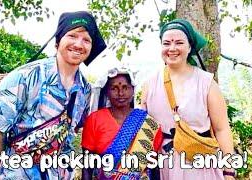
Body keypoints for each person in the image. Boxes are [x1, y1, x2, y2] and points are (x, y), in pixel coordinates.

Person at [0, 11, 106, 179]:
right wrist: (10, 169)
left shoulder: (85, 89)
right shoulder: (24, 78)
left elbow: (70, 133)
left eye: (86, 39)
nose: (79, 44)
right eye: (72, 35)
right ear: (57, 42)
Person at [140, 19, 235, 180]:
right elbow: (144, 130)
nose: (172, 48)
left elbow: (222, 129)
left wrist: (229, 171)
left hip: (200, 164)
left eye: (179, 43)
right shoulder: (149, 85)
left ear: (189, 47)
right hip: (164, 166)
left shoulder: (206, 83)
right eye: (167, 43)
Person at [81, 66, 163, 180]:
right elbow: (87, 164)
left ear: (133, 90)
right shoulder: (94, 120)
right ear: (106, 92)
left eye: (125, 87)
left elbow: (154, 167)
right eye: (114, 88)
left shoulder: (149, 124)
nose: (120, 93)